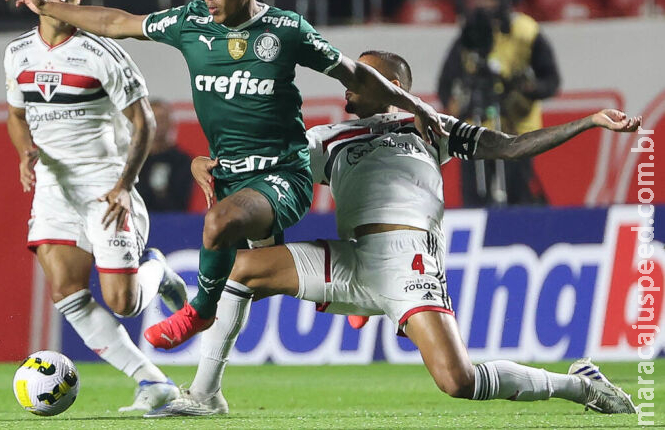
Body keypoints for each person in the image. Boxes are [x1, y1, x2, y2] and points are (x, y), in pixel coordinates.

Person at [2, 0, 447, 350]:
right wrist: (47, 6)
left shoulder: (287, 31)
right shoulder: (190, 22)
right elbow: (116, 21)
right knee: (263, 276)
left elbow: (356, 75)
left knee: (217, 225)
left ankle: (200, 310)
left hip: (283, 175)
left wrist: (418, 105)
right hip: (229, 175)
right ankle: (358, 301)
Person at [154, 50, 640, 417]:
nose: (348, 82)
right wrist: (209, 162)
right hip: (352, 258)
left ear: (392, 85)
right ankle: (205, 394)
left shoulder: (429, 127)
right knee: (241, 270)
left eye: (361, 76)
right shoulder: (327, 137)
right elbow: (265, 166)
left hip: (409, 260)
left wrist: (590, 122)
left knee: (457, 380)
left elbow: (510, 147)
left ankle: (579, 385)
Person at [3, 0, 188, 412]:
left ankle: (157, 270)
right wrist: (26, 151)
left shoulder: (100, 52)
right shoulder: (17, 53)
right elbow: (15, 114)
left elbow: (142, 123)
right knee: (66, 292)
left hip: (107, 186)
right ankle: (153, 383)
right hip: (54, 188)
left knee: (123, 303)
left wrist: (126, 183)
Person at [437, 0, 561, 206]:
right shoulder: (467, 36)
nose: (482, 7)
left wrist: (526, 88)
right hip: (473, 131)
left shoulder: (526, 31)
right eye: (476, 0)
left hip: (517, 130)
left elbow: (551, 81)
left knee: (519, 199)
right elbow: (445, 84)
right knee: (474, 200)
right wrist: (455, 103)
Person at [135, 100, 193, 212]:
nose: (157, 124)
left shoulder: (182, 160)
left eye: (161, 119)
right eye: (153, 119)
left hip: (169, 223)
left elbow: (180, 203)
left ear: (171, 123)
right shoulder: (130, 160)